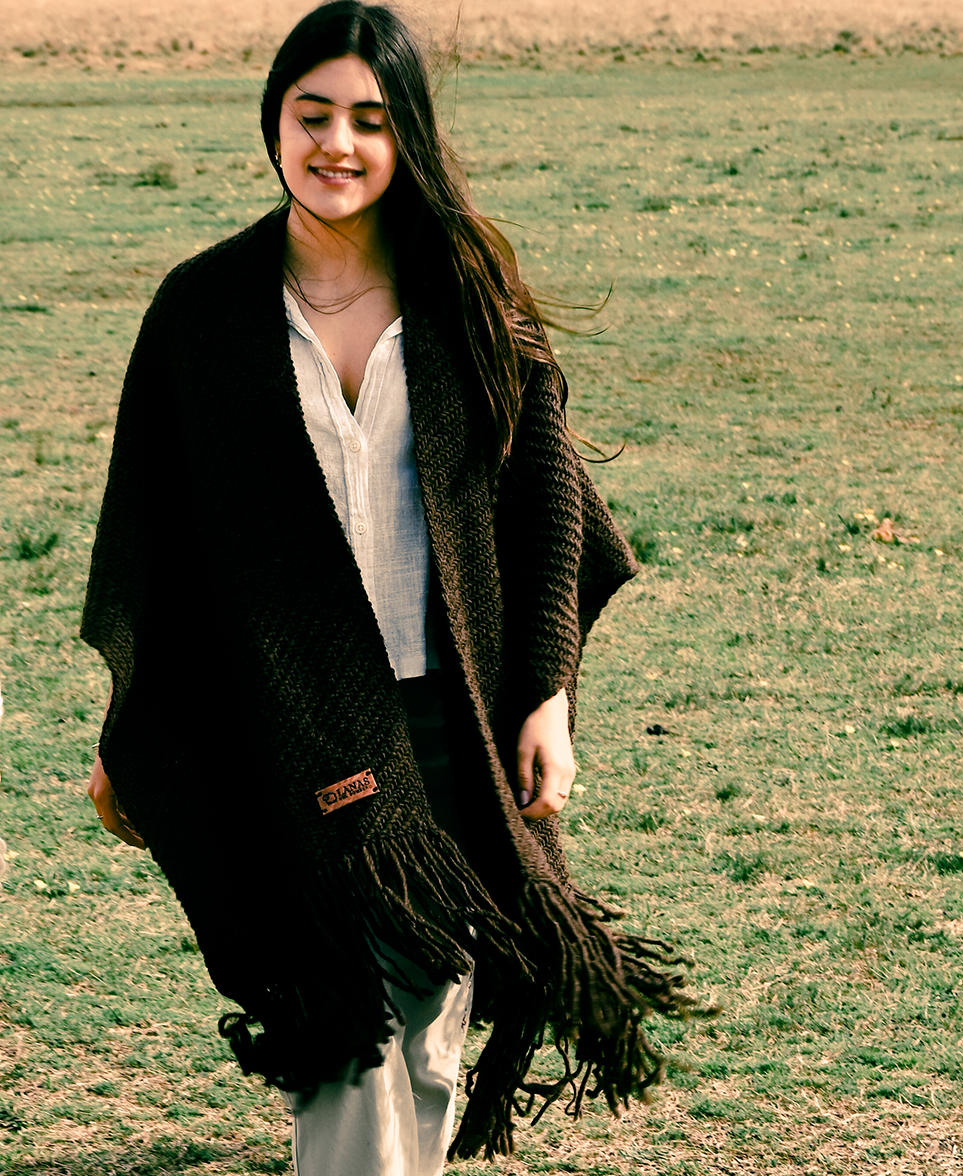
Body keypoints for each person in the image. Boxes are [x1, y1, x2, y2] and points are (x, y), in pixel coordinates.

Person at [81, 4, 700, 1173]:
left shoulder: (466, 293)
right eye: (312, 114)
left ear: (406, 134)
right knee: (348, 1031)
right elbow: (160, 548)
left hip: (449, 722)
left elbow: (547, 508)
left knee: (426, 1034)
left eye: (369, 119)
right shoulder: (203, 314)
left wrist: (546, 696)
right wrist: (135, 729)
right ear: (273, 121)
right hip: (287, 724)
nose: (338, 144)